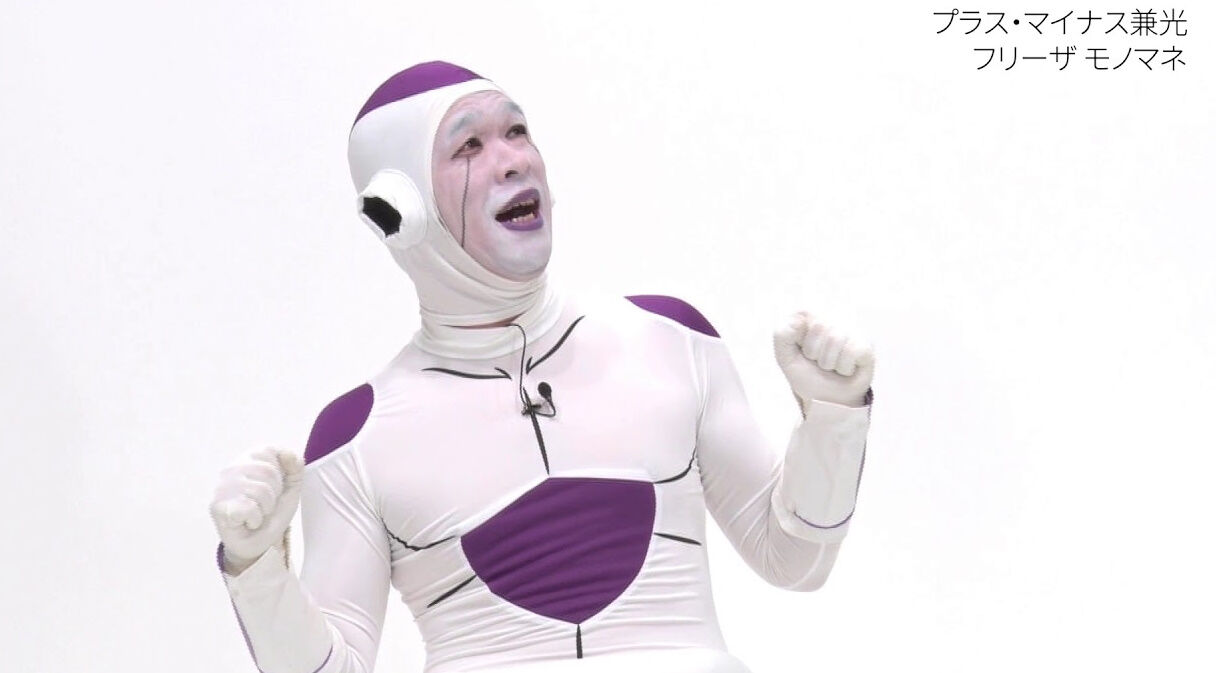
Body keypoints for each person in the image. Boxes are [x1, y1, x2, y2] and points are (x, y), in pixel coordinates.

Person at [209, 61, 875, 673]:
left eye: (517, 131)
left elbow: (795, 559)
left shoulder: (673, 340)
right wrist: (257, 567)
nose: (512, 161)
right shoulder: (357, 435)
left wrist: (834, 420)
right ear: (397, 211)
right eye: (468, 146)